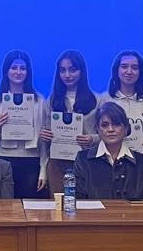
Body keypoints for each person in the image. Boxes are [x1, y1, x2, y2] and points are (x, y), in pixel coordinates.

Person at [38, 50, 98, 192]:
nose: (67, 75)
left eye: (72, 70)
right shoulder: (51, 100)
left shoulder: (97, 100)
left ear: (81, 71)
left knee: (85, 205)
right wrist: (43, 170)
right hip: (57, 165)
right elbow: (45, 143)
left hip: (87, 163)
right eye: (62, 70)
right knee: (58, 204)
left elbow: (105, 135)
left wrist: (92, 139)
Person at [72, 101, 143, 200]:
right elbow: (77, 201)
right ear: (97, 129)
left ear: (126, 129)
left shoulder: (142, 162)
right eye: (104, 125)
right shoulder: (83, 159)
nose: (110, 129)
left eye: (116, 124)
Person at [0, 49, 48, 197]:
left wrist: (43, 170)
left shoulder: (39, 101)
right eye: (14, 68)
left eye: (23, 68)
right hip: (2, 159)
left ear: (28, 72)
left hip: (31, 161)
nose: (18, 72)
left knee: (30, 208)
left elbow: (43, 141)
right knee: (4, 208)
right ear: (6, 71)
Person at [97, 50, 143, 160]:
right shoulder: (104, 99)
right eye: (124, 67)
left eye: (134, 68)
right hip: (112, 163)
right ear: (117, 70)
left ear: (140, 72)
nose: (129, 71)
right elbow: (99, 133)